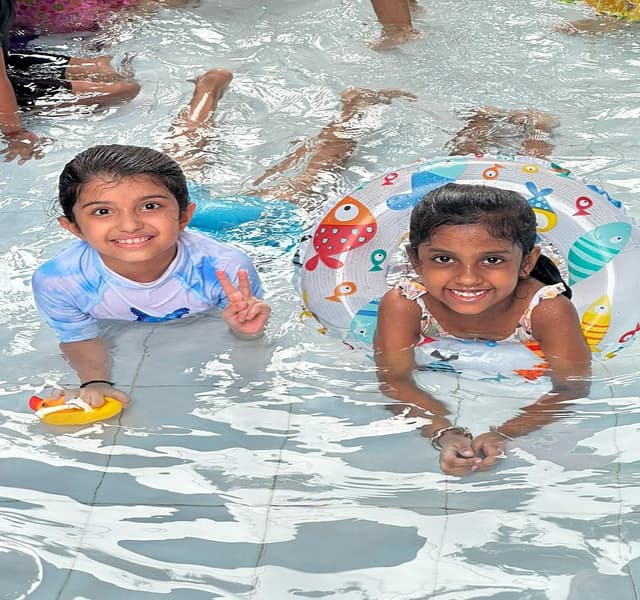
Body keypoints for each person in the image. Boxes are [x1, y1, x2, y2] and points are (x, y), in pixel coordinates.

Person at [31, 67, 415, 410]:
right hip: (167, 227)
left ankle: (354, 109)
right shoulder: (60, 281)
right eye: (102, 212)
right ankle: (207, 87)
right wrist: (95, 381)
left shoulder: (227, 267)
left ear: (185, 214)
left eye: (147, 206)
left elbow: (247, 325)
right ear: (73, 228)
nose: (129, 225)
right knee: (183, 154)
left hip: (234, 226)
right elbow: (78, 336)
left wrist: (245, 330)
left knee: (306, 178)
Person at [373, 184, 592, 476]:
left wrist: (507, 433)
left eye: (492, 260)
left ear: (527, 262)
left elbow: (571, 386)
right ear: (416, 261)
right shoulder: (405, 304)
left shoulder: (547, 310)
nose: (468, 279)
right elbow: (394, 379)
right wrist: (442, 432)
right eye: (444, 259)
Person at [0, 0, 140, 164]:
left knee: (109, 75)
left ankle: (105, 77)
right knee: (123, 90)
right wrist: (14, 132)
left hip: (8, 61)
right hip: (7, 72)